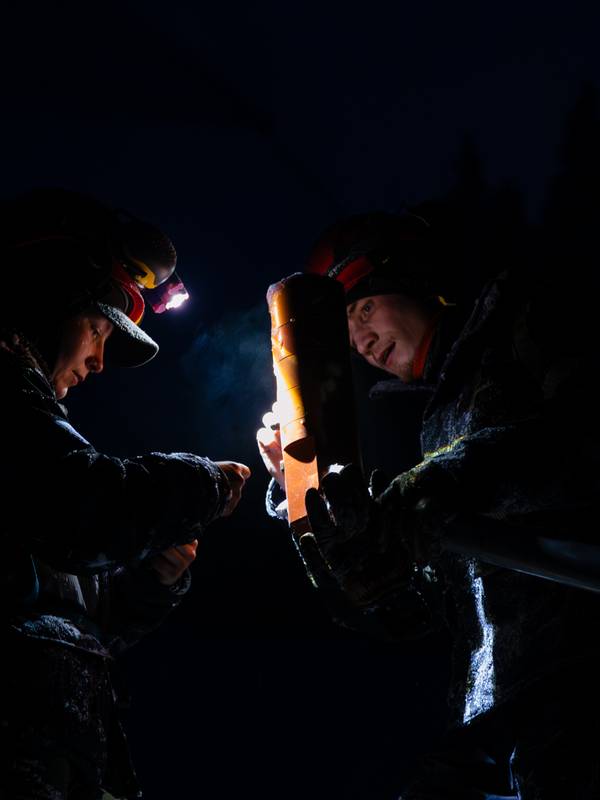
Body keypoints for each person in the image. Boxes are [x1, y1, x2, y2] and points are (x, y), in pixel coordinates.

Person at [257, 210, 600, 799]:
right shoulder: (435, 419)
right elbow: (422, 612)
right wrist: (318, 512)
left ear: (415, 280)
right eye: (346, 327)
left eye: (364, 308)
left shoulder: (528, 312)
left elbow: (580, 436)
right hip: (503, 716)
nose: (360, 340)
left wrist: (435, 487)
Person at [0, 188, 251, 800]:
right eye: (97, 330)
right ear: (50, 299)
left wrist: (151, 582)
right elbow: (80, 510)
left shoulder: (32, 438)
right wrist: (199, 484)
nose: (99, 363)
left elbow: (71, 612)